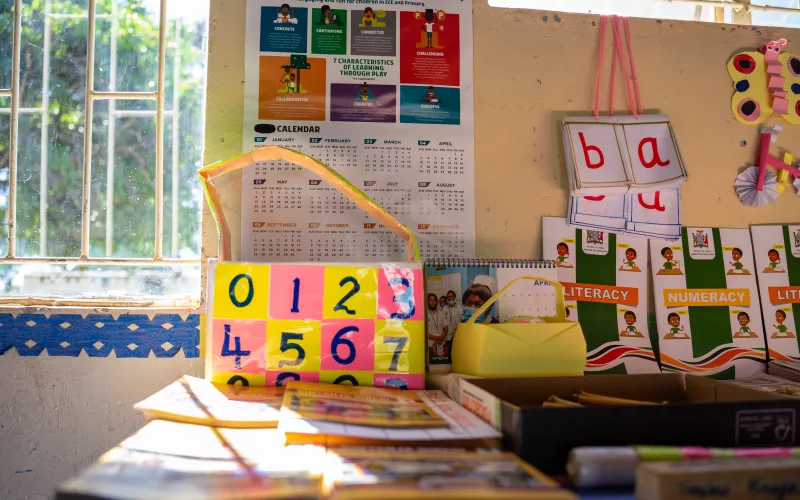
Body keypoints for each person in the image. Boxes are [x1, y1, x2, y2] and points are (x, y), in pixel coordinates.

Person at [427, 293, 447, 358]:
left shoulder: (441, 313)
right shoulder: (425, 314)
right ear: (427, 302)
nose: (433, 302)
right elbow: (424, 332)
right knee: (431, 366)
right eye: (430, 300)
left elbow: (446, 327)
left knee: (441, 366)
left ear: (436, 302)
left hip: (441, 345)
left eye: (434, 300)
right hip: (430, 346)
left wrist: (441, 338)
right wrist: (438, 338)